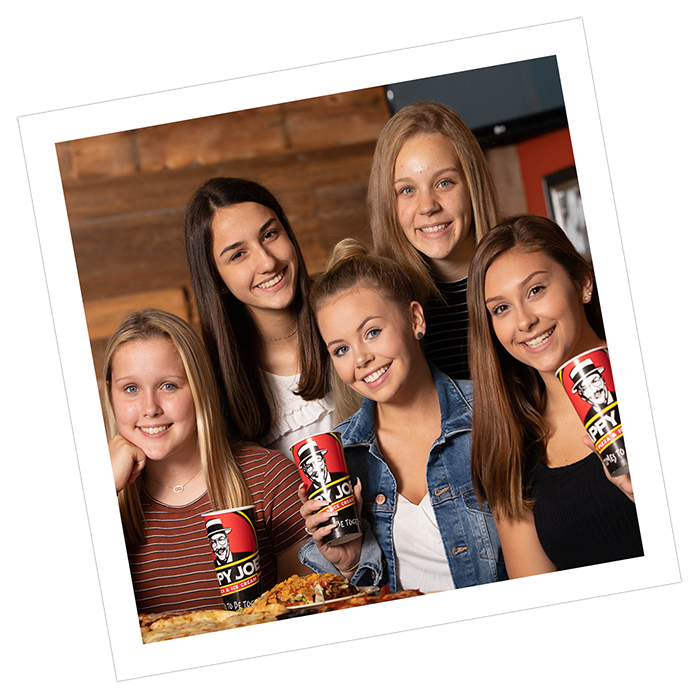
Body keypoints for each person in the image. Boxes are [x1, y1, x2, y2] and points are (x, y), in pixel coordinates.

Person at [297, 239, 507, 593]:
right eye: (342, 349)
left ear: (414, 319)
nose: (360, 358)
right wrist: (347, 563)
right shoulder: (340, 458)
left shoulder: (492, 413)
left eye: (373, 332)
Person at [466, 215, 643, 577]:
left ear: (583, 283)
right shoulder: (510, 444)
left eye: (535, 290)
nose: (524, 321)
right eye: (501, 308)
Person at [103, 308, 311, 614]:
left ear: (200, 388)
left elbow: (311, 607)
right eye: (131, 389)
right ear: (111, 396)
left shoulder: (268, 477)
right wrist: (101, 488)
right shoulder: (104, 498)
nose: (150, 408)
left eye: (168, 386)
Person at [184, 177, 359, 456]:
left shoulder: (351, 309)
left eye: (269, 235)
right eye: (239, 254)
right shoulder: (213, 377)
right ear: (215, 278)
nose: (267, 262)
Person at [367, 101, 501, 380]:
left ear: (472, 185)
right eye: (406, 190)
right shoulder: (383, 311)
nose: (427, 206)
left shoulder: (524, 279)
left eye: (444, 183)